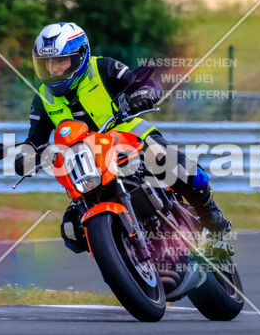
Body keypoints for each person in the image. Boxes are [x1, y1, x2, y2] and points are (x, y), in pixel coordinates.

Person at [14, 22, 232, 250]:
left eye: (60, 61)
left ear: (80, 56)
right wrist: (26, 155)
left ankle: (212, 218)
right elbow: (35, 139)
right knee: (72, 233)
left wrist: (144, 94)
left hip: (128, 137)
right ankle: (124, 251)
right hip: (87, 165)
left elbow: (143, 82)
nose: (54, 69)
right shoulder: (43, 98)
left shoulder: (102, 68)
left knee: (180, 167)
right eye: (47, 63)